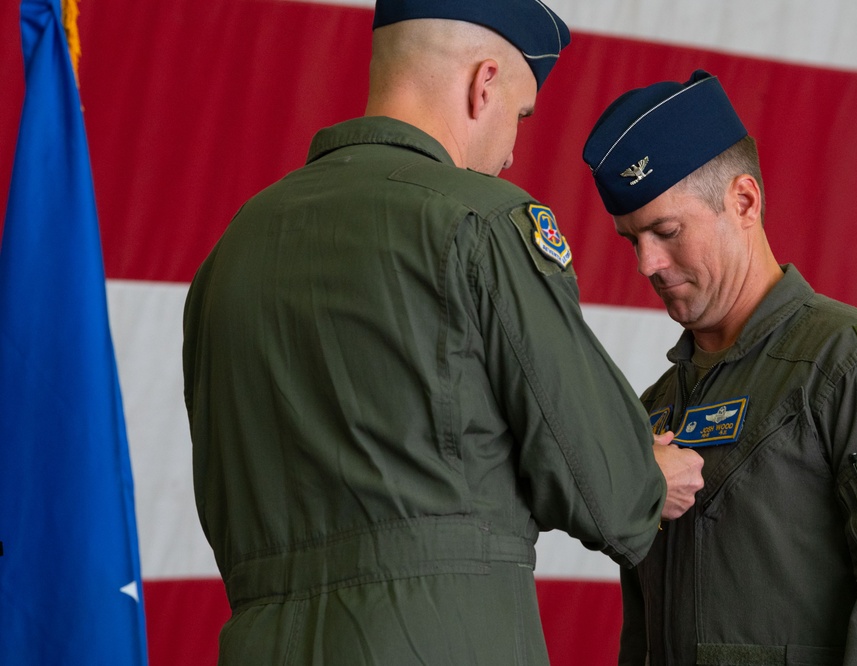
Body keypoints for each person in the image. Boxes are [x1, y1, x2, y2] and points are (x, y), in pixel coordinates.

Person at [182, 2, 705, 664]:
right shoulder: (481, 221)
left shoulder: (232, 250)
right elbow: (604, 491)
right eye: (519, 115)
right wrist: (648, 473)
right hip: (435, 639)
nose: (514, 151)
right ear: (482, 83)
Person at [582, 70, 857, 665]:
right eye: (630, 239)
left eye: (666, 231)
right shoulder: (658, 405)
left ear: (744, 201)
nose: (647, 263)